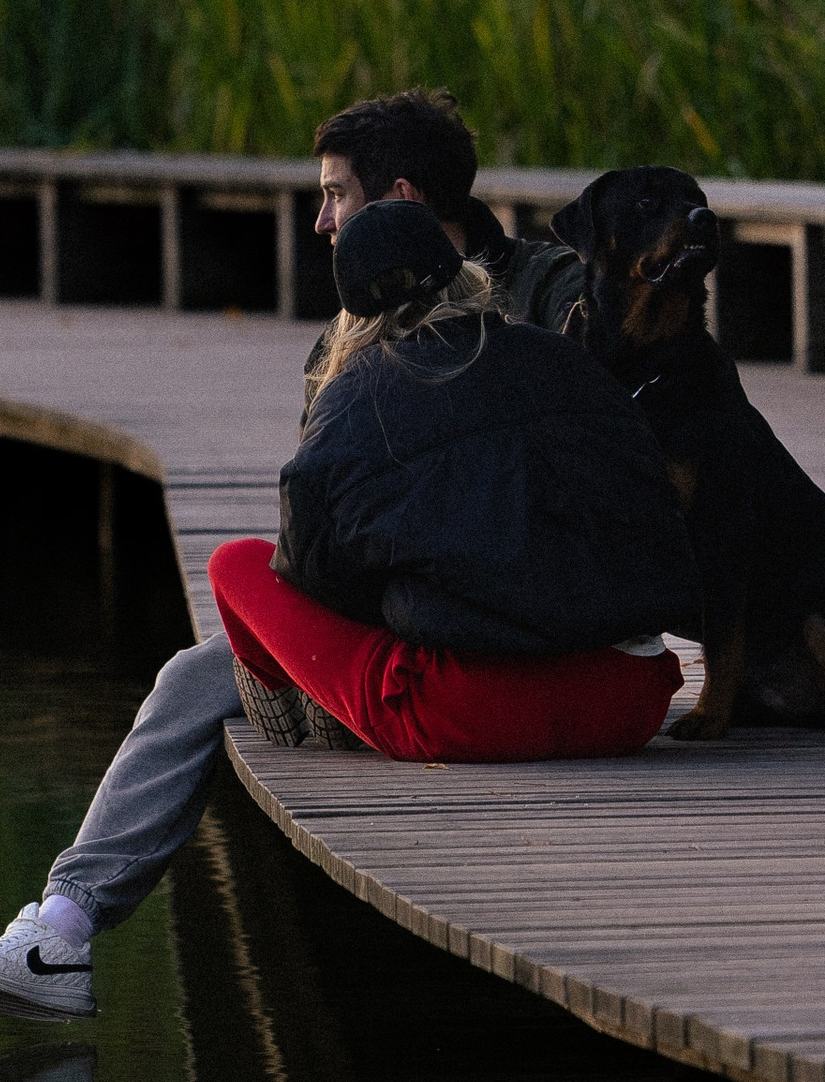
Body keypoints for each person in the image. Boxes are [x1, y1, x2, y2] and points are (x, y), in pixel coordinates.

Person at [0, 89, 592, 1024]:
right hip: (572, 643)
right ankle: (60, 925)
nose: (320, 224)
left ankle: (61, 933)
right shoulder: (429, 314)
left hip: (477, 642)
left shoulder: (535, 303)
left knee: (207, 666)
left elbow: (321, 545)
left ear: (398, 193)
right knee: (216, 654)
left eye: (333, 197)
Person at [209, 197, 693, 761]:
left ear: (352, 316)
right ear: (464, 273)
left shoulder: (351, 397)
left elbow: (312, 574)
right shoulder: (565, 359)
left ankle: (303, 713)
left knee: (233, 565)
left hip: (469, 715)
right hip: (627, 703)